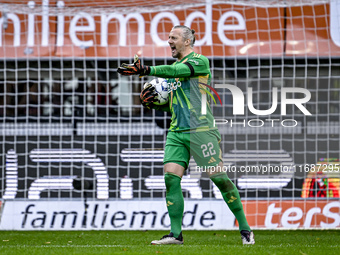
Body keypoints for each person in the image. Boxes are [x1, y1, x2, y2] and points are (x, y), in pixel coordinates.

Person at [117, 25, 255, 245]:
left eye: (173, 37)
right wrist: (152, 104)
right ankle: (175, 234)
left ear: (187, 41)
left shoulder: (199, 61)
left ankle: (246, 229)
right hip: (176, 132)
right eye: (168, 37)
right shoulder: (175, 68)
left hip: (201, 131)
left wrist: (147, 70)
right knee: (171, 178)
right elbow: (174, 105)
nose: (169, 41)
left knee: (220, 179)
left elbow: (174, 72)